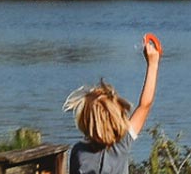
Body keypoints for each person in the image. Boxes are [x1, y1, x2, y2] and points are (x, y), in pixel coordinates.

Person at [63, 35, 161, 174]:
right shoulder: (122, 143)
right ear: (116, 117)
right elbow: (145, 105)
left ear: (86, 122)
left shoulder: (79, 152)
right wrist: (153, 64)